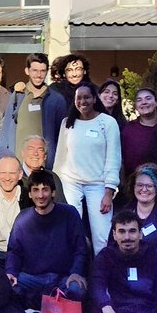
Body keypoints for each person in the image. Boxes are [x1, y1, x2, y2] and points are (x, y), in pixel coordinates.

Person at [5, 170, 88, 308]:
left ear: (53, 192)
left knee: (77, 289)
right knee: (8, 287)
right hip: (32, 278)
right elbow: (14, 251)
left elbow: (80, 248)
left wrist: (76, 272)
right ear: (30, 194)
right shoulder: (22, 218)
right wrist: (11, 272)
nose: (41, 195)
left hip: (62, 277)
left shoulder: (69, 213)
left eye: (45, 190)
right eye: (36, 190)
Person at [54, 84, 121, 253]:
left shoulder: (108, 122)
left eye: (87, 97)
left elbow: (113, 158)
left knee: (102, 235)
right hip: (70, 182)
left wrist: (109, 191)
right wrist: (56, 185)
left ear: (94, 99)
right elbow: (60, 156)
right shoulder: (67, 123)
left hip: (98, 184)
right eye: (79, 98)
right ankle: (74, 273)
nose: (82, 101)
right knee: (70, 232)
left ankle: (101, 274)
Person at [12, 52, 65, 165]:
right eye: (35, 70)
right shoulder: (17, 96)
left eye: (42, 71)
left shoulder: (57, 100)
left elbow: (62, 137)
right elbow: (7, 129)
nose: (39, 75)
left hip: (45, 165)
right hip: (19, 165)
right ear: (27, 71)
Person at [120, 88, 157, 179]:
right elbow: (121, 160)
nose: (144, 102)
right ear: (135, 106)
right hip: (136, 184)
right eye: (139, 100)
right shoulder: (128, 129)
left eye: (148, 98)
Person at [19, 134, 67, 205]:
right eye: (31, 149)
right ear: (22, 153)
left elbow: (62, 207)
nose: (35, 153)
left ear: (45, 156)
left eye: (40, 150)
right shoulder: (15, 177)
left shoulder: (52, 177)